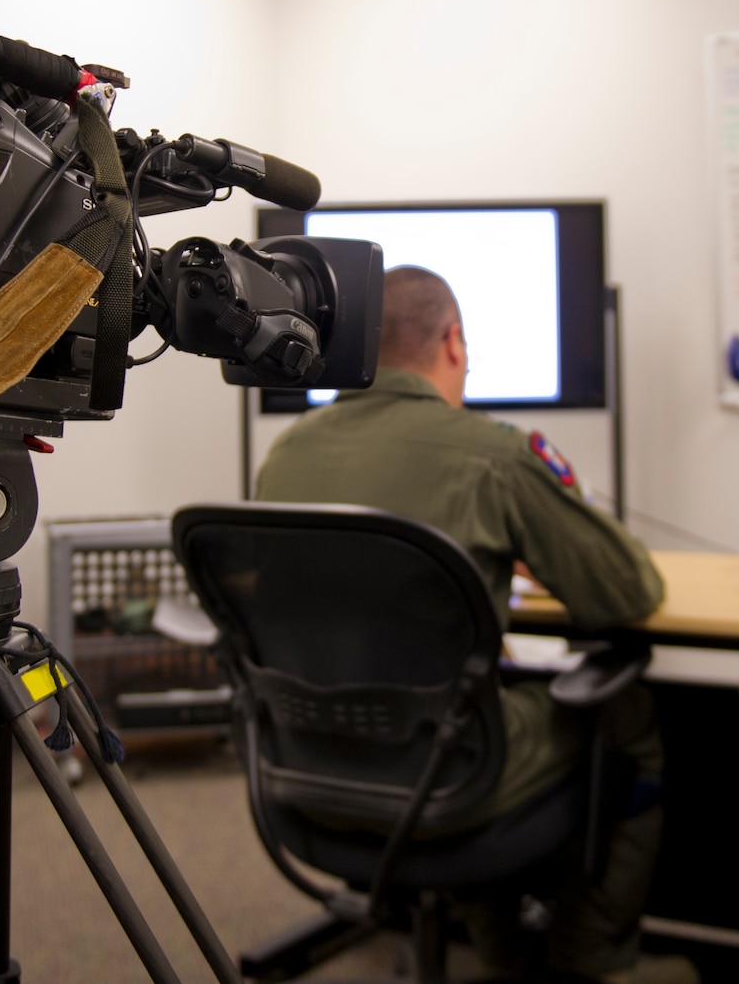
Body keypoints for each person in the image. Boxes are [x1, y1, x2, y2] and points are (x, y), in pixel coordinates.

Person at [256, 266, 675, 984]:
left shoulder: (285, 454)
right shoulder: (494, 453)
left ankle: (501, 953)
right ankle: (590, 958)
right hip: (447, 779)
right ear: (453, 341)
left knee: (476, 705)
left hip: (304, 771)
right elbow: (627, 592)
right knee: (627, 714)